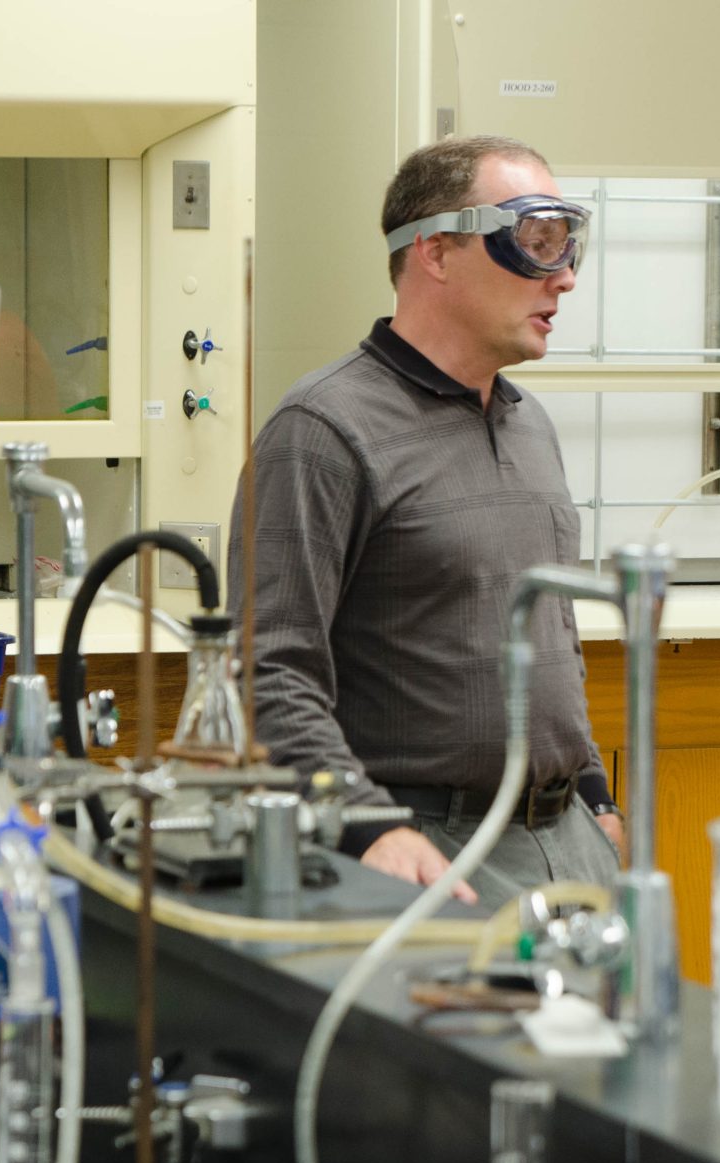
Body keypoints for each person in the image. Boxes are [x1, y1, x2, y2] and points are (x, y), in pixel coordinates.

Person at [232, 134, 624, 904]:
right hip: (422, 848)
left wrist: (594, 794)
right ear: (437, 251)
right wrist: (364, 825)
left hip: (568, 840)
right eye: (537, 242)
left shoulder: (528, 423)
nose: (566, 277)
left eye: (569, 244)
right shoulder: (323, 430)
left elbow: (550, 637)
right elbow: (268, 669)